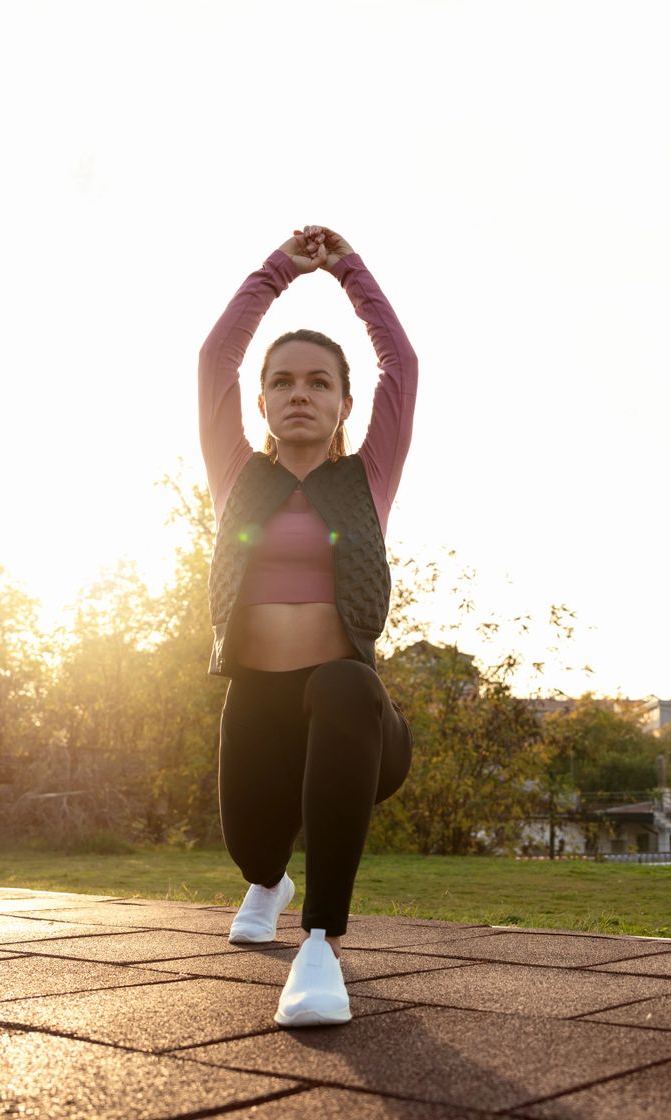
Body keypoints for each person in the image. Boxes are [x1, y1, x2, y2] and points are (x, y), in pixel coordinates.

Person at [198, 224, 418, 1027]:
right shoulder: (235, 478)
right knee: (252, 849)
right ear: (260, 402)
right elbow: (212, 361)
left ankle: (320, 943)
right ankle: (269, 878)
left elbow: (404, 364)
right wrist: (279, 272)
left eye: (319, 383)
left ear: (343, 405)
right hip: (260, 707)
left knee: (343, 680)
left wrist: (349, 270)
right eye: (283, 381)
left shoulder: (368, 477)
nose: (300, 393)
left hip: (356, 727)